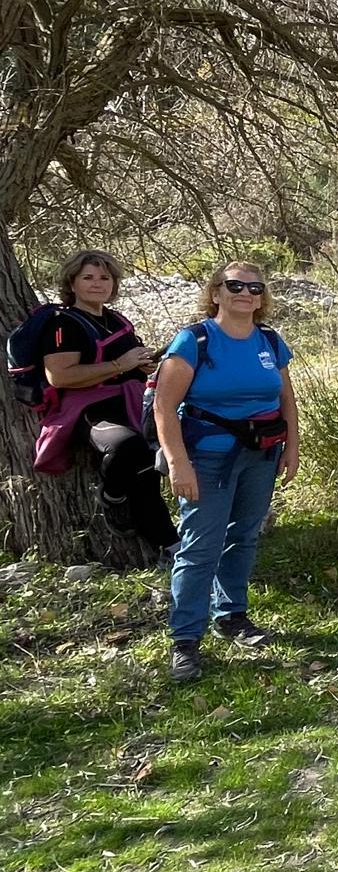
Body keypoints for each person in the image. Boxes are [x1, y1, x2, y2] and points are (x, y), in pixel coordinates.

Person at [152, 261, 300, 682]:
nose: (246, 294)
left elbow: (286, 399)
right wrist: (178, 463)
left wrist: (292, 447)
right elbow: (164, 406)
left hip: (261, 456)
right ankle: (185, 639)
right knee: (200, 546)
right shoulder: (194, 340)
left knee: (244, 536)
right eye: (235, 286)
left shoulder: (269, 340)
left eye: (255, 287)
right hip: (207, 459)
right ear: (216, 293)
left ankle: (232, 615)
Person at [33, 250, 178, 560]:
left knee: (147, 468)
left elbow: (130, 363)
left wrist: (143, 365)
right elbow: (60, 376)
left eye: (104, 278)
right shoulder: (63, 324)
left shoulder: (116, 320)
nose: (97, 283)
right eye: (88, 277)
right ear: (72, 283)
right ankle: (113, 497)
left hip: (131, 401)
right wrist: (119, 364)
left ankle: (170, 545)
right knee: (128, 447)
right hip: (89, 408)